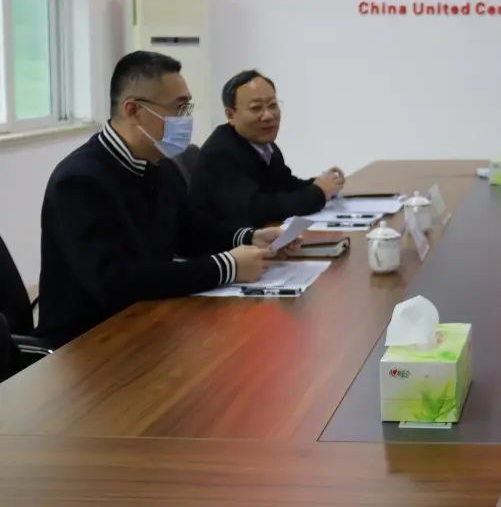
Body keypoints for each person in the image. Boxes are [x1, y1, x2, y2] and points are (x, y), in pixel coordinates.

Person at [37, 52, 286, 347]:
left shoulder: (159, 165)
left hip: (150, 321)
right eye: (179, 108)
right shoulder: (79, 181)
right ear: (133, 110)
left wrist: (249, 237)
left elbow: (189, 232)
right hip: (87, 344)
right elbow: (114, 281)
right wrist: (225, 267)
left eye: (187, 107)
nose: (186, 119)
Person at [189, 70, 344, 226]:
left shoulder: (265, 145)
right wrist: (319, 193)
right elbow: (256, 209)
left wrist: (321, 183)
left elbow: (285, 186)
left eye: (272, 105)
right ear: (231, 115)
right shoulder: (219, 153)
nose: (268, 116)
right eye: (256, 108)